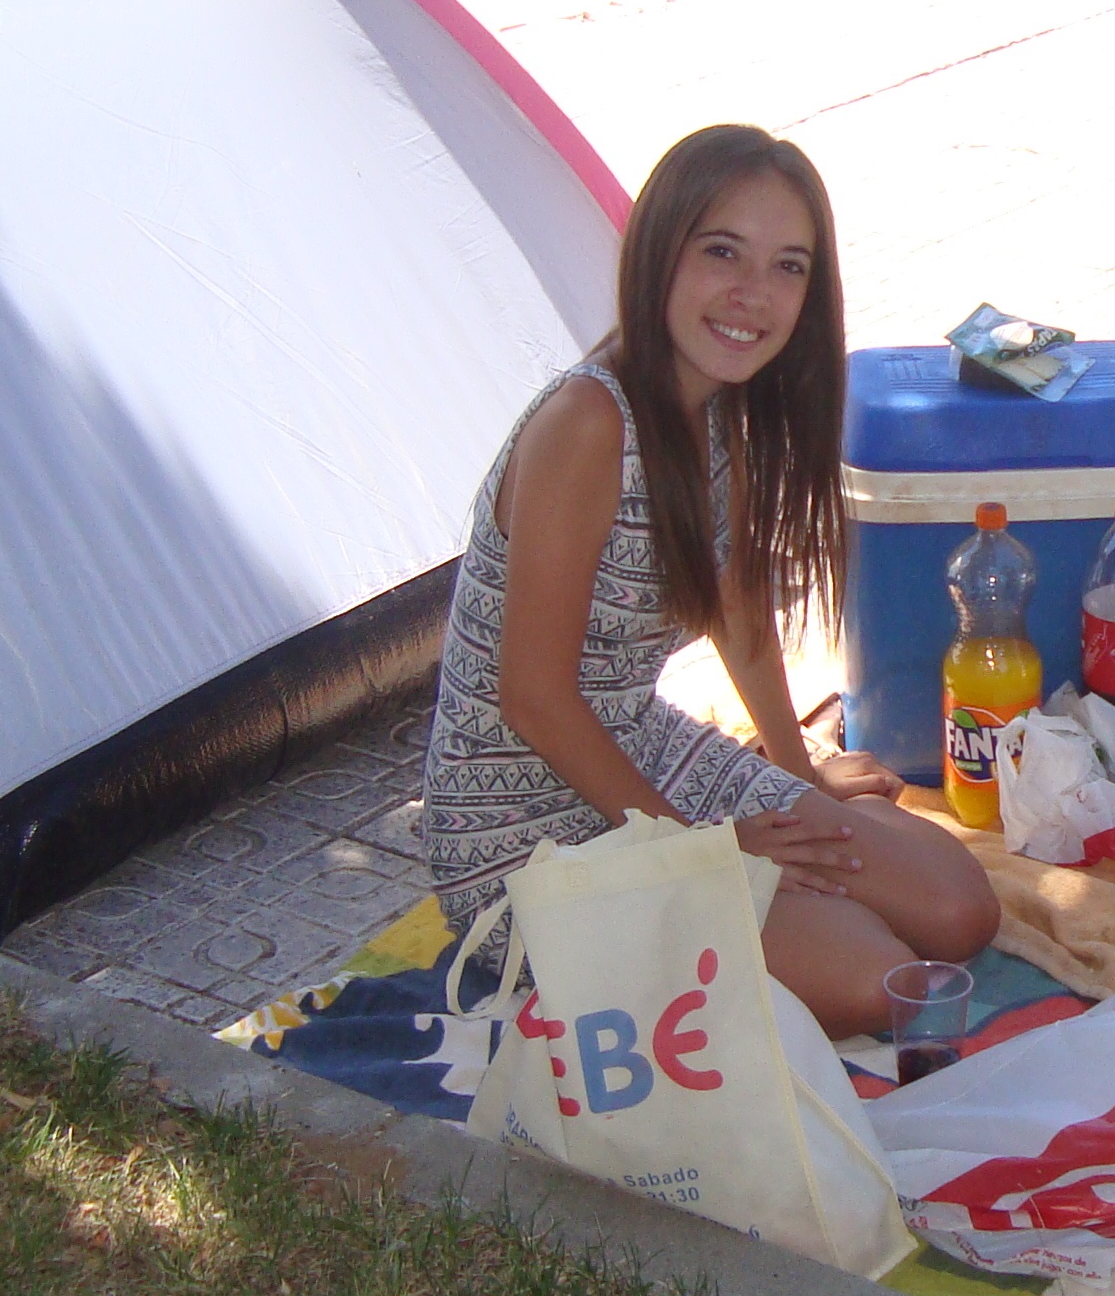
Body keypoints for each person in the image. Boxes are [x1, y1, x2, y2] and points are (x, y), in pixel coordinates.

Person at [423, 123, 999, 1038]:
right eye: (723, 251)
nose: (752, 296)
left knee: (960, 912)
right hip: (517, 828)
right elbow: (531, 696)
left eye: (788, 267)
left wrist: (795, 765)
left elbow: (738, 606)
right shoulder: (586, 423)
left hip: (638, 748)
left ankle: (767, 895)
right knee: (879, 982)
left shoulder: (723, 405)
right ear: (660, 252)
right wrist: (699, 856)